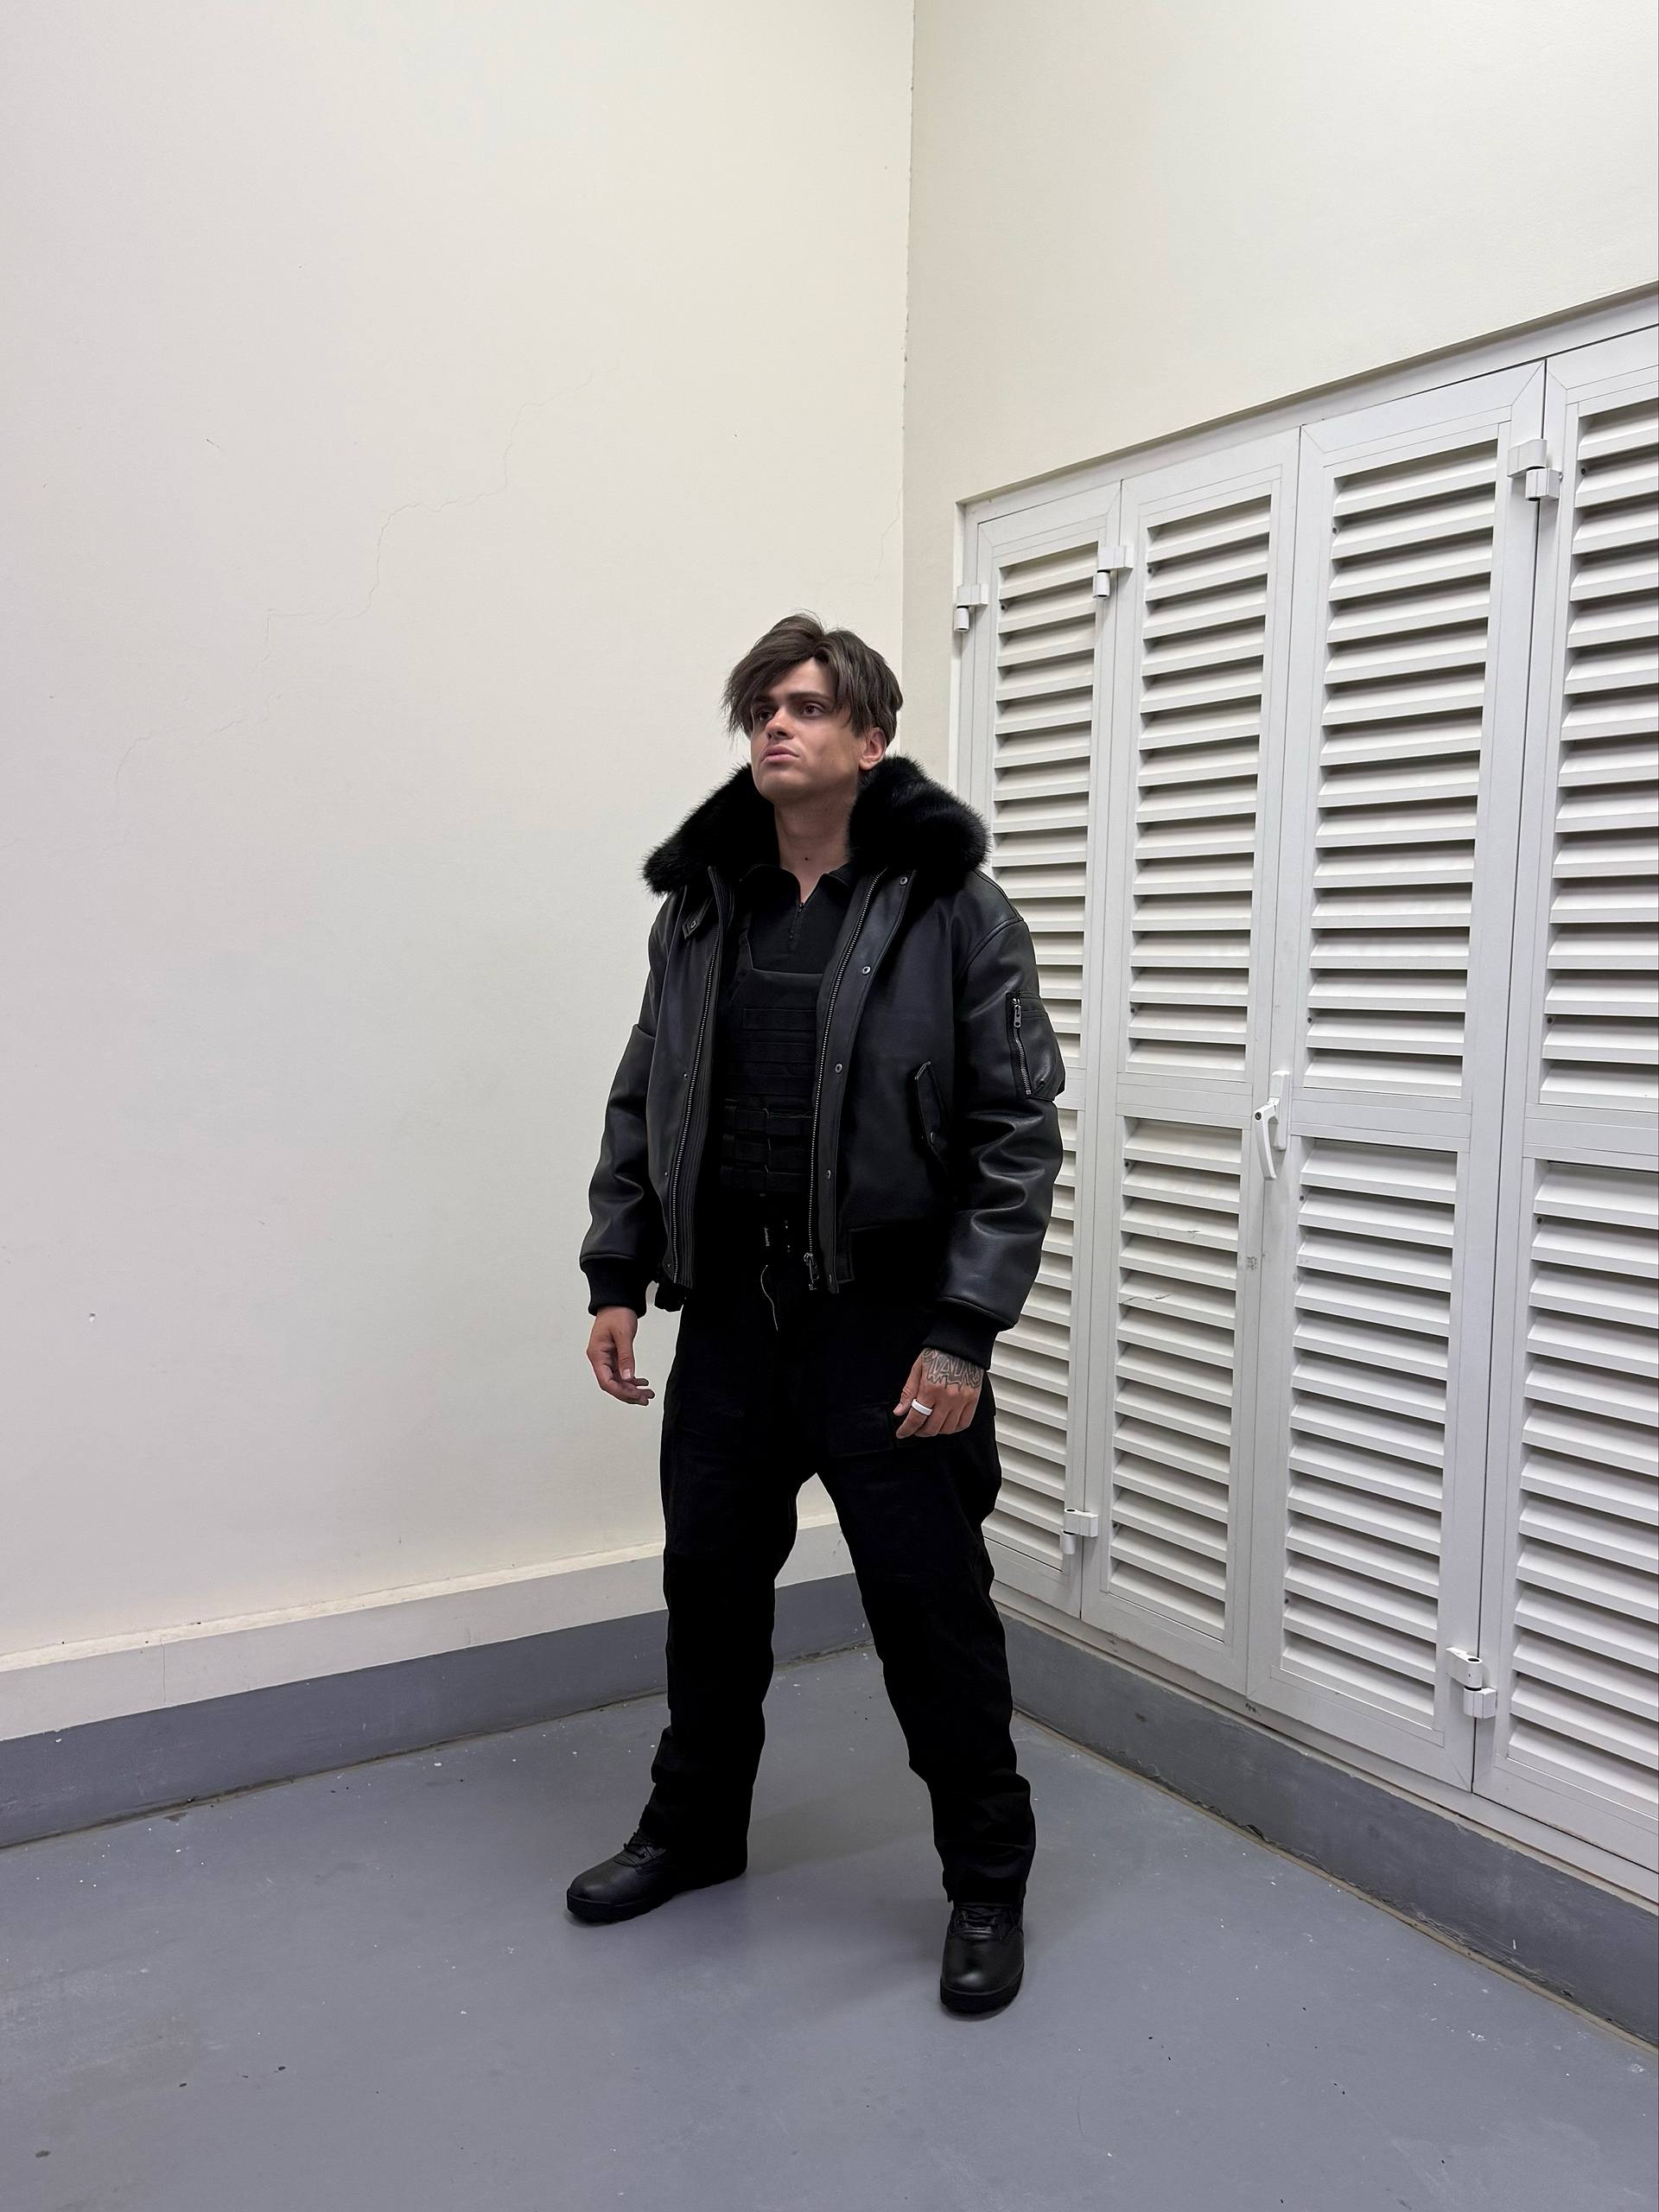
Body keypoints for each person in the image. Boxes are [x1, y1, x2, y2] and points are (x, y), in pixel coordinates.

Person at [571, 612, 1065, 2017]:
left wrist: (963, 1332)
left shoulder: (951, 910)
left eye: (803, 706)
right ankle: (692, 1831)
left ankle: (986, 1882)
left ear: (871, 737)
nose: (774, 728)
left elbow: (1017, 1131)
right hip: (732, 1319)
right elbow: (646, 1093)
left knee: (930, 1611)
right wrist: (617, 1273)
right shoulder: (702, 907)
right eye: (761, 709)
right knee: (709, 1597)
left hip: (888, 1327)